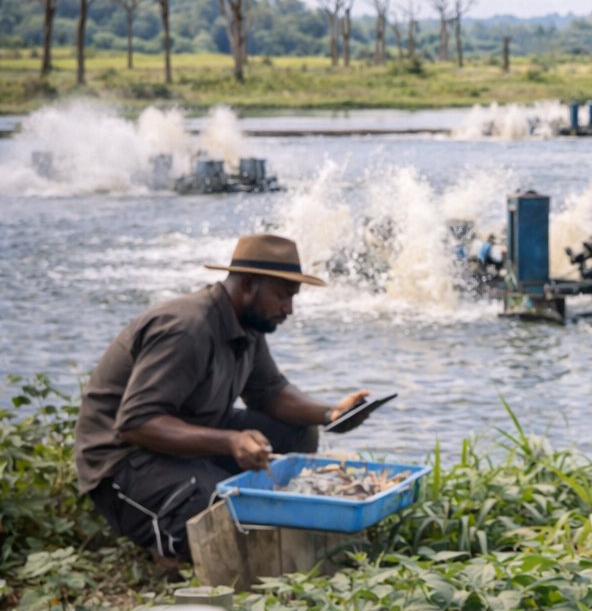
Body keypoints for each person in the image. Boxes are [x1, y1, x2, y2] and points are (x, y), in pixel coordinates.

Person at [74, 234, 375, 563]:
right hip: (122, 461)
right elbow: (137, 423)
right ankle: (167, 545)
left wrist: (330, 413)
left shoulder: (248, 323)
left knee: (298, 433)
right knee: (225, 509)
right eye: (282, 296)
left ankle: (216, 497)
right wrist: (230, 442)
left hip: (189, 435)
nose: (288, 309)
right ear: (248, 286)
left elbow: (270, 392)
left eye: (292, 297)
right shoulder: (187, 329)